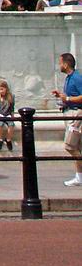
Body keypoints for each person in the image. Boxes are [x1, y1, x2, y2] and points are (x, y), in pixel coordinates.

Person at [52, 52, 82, 187]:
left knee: (69, 146)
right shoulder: (69, 78)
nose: (59, 66)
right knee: (77, 147)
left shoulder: (76, 77)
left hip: (76, 115)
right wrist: (62, 97)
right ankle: (79, 176)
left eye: (60, 63)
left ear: (65, 64)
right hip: (70, 112)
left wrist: (68, 99)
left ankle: (80, 176)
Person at [0, 80, 15, 151]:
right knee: (0, 124)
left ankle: (8, 139)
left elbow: (12, 108)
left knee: (11, 125)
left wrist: (12, 115)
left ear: (6, 88)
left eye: (2, 89)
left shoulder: (11, 97)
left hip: (7, 115)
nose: (1, 91)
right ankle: (0, 140)